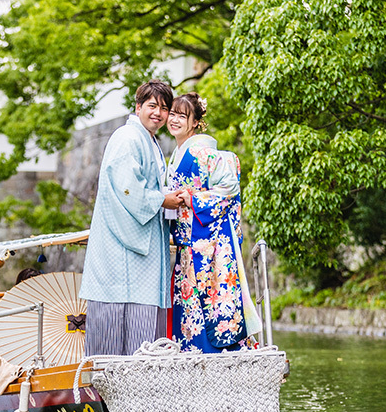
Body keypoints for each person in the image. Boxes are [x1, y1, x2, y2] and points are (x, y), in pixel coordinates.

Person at [79, 80, 186, 356]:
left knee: (138, 332)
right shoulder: (128, 138)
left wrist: (165, 196)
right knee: (120, 336)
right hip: (121, 251)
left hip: (137, 251)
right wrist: (163, 199)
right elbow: (129, 188)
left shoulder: (147, 140)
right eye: (152, 106)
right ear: (138, 107)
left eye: (164, 108)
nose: (158, 113)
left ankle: (139, 384)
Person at [165, 92, 261, 352]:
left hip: (208, 245)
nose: (174, 120)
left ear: (195, 121)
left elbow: (228, 189)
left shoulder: (207, 153)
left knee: (211, 306)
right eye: (172, 114)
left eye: (182, 116)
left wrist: (191, 198)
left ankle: (215, 357)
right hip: (187, 243)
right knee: (190, 307)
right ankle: (191, 358)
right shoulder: (177, 155)